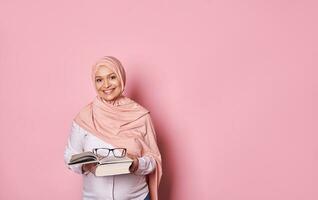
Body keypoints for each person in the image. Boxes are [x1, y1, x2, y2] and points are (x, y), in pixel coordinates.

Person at [64, 56, 162, 200]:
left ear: (121, 78)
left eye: (112, 77)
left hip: (137, 197)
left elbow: (154, 160)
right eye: (99, 80)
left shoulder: (140, 116)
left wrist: (136, 164)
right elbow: (69, 156)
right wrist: (86, 167)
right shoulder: (84, 117)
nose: (106, 85)